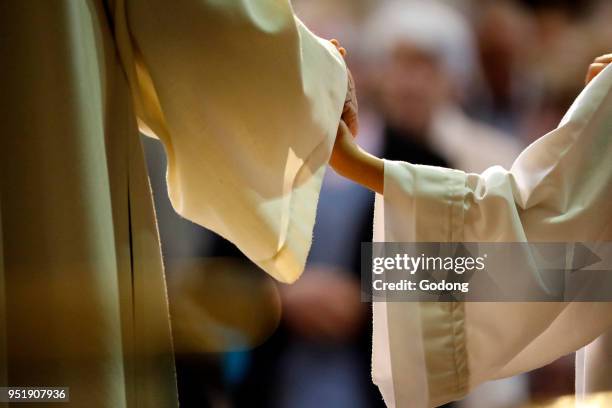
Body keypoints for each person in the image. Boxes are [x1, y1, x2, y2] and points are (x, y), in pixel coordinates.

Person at [0, 1, 354, 406]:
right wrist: (279, 298)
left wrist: (367, 297)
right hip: (270, 378)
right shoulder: (235, 145)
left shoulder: (416, 152)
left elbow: (435, 279)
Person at [330, 46, 612, 407]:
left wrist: (357, 165)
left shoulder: (488, 146)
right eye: (401, 67)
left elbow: (554, 257)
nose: (409, 85)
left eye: (424, 67)